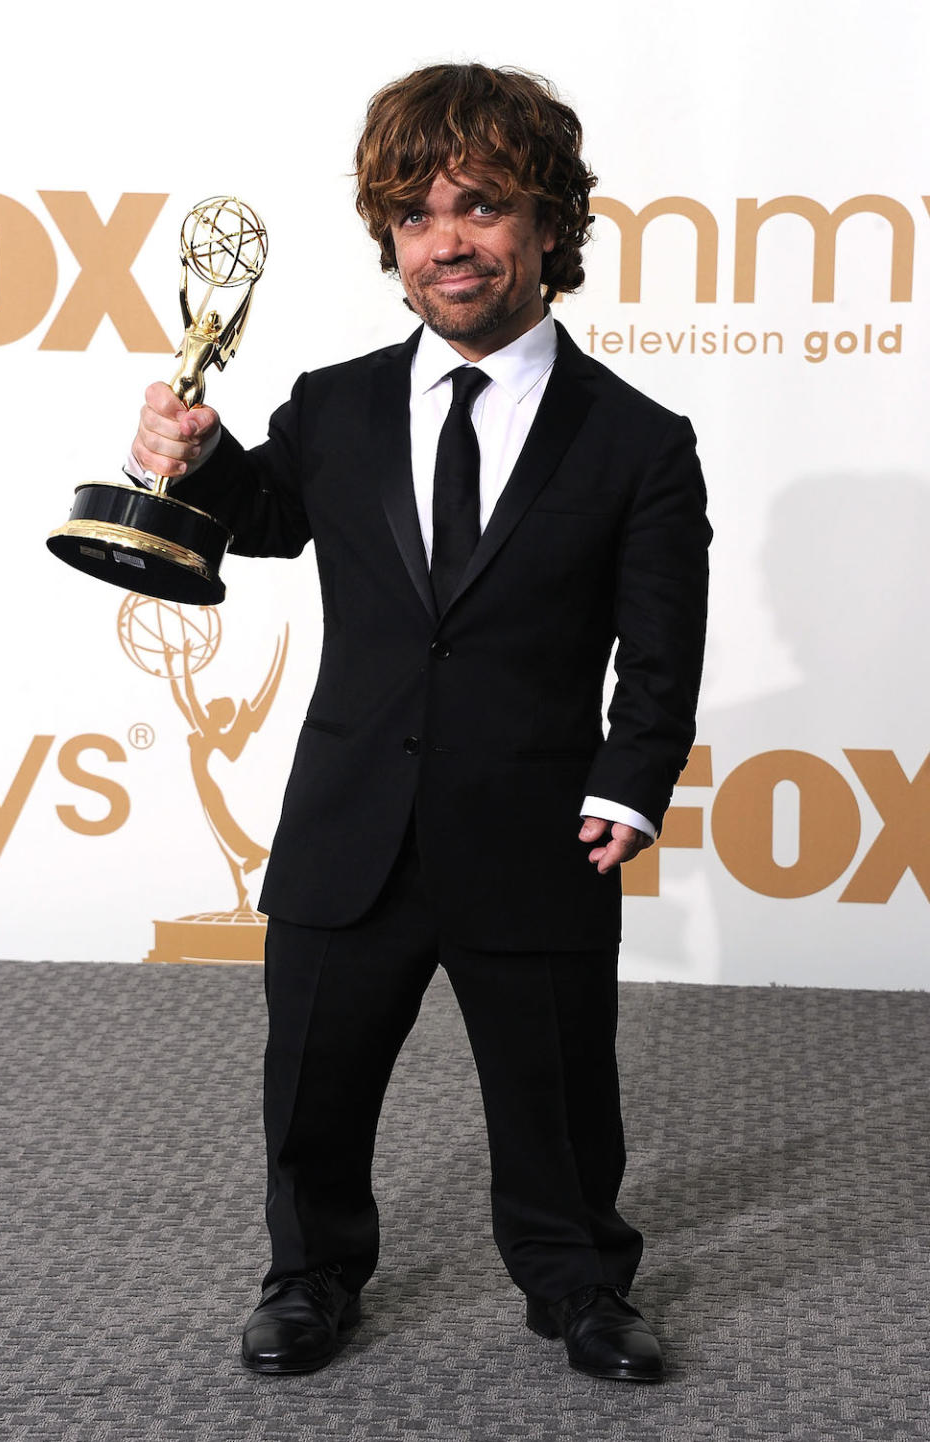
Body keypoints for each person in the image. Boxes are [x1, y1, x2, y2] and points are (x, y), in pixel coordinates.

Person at [129, 63, 711, 1383]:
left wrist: (630, 783)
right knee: (314, 1085)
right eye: (417, 214)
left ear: (550, 227)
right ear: (390, 241)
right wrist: (196, 456)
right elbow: (269, 520)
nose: (447, 239)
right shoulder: (333, 405)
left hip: (536, 826)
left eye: (484, 205)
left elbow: (662, 645)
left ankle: (578, 1284)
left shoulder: (637, 442)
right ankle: (309, 1273)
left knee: (558, 1096)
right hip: (352, 823)